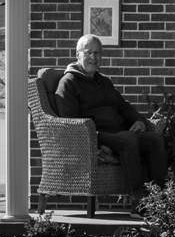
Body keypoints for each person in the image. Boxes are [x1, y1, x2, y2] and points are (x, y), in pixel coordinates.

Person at [54, 34, 167, 219]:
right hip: (95, 135)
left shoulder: (104, 81)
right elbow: (69, 122)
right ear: (77, 54)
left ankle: (158, 200)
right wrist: (94, 143)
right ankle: (140, 202)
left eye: (98, 53)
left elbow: (123, 106)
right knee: (128, 139)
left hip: (118, 133)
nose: (94, 57)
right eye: (89, 52)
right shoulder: (68, 83)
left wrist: (138, 120)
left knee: (155, 140)